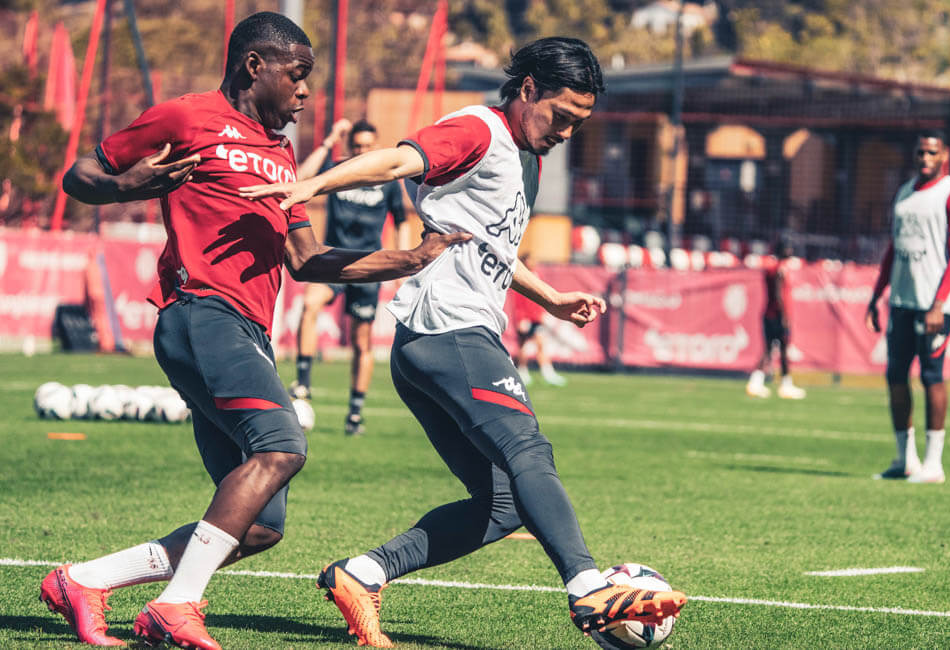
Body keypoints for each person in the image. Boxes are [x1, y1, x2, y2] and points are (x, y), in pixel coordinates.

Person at [241, 36, 686, 647]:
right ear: (528, 89)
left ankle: (362, 573)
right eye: (561, 116)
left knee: (504, 502)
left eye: (579, 124)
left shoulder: (525, 157)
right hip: (448, 329)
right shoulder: (479, 129)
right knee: (527, 450)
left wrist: (549, 297)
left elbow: (490, 245)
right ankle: (589, 586)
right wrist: (310, 186)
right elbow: (396, 161)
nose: (566, 133)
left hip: (433, 341)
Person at [40, 13, 466, 649]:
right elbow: (78, 176)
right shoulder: (185, 117)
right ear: (254, 66)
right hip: (200, 315)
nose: (305, 91)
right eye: (297, 75)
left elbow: (306, 260)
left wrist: (406, 260)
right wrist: (127, 185)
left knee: (260, 524)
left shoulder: (282, 153)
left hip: (246, 335)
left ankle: (83, 581)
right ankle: (176, 605)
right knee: (282, 446)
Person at [289, 117, 407, 435]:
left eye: (367, 146)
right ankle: (303, 383)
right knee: (310, 305)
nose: (362, 151)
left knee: (361, 342)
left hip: (368, 266)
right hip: (332, 260)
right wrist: (330, 140)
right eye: (356, 146)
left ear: (376, 146)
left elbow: (401, 220)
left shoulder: (387, 180)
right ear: (350, 147)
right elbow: (302, 178)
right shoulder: (338, 169)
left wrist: (402, 263)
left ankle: (355, 414)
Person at [866, 129, 950, 485]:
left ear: (944, 155)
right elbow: (893, 249)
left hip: (933, 304)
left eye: (931, 153)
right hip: (902, 301)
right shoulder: (905, 193)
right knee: (895, 375)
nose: (925, 158)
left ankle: (934, 464)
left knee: (931, 376)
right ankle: (904, 459)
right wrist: (876, 295)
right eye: (920, 152)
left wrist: (939, 303)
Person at [746, 240, 806, 399]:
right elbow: (779, 294)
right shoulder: (779, 269)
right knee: (781, 349)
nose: (790, 251)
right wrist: (785, 315)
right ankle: (784, 384)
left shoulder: (771, 267)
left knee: (770, 349)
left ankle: (757, 382)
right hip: (777, 315)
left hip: (769, 314)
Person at [511, 253, 568, 387]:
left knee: (541, 344)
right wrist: (521, 318)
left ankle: (547, 372)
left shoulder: (536, 275)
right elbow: (518, 301)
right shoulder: (522, 278)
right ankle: (522, 372)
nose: (534, 263)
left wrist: (542, 313)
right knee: (523, 347)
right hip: (525, 319)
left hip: (536, 318)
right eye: (531, 260)